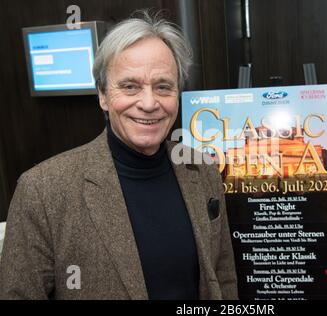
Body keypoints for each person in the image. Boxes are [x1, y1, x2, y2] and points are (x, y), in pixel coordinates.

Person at [0, 10, 238, 300]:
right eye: (130, 86)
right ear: (103, 95)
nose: (149, 103)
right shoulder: (43, 190)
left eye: (163, 86)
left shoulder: (202, 170)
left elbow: (222, 276)